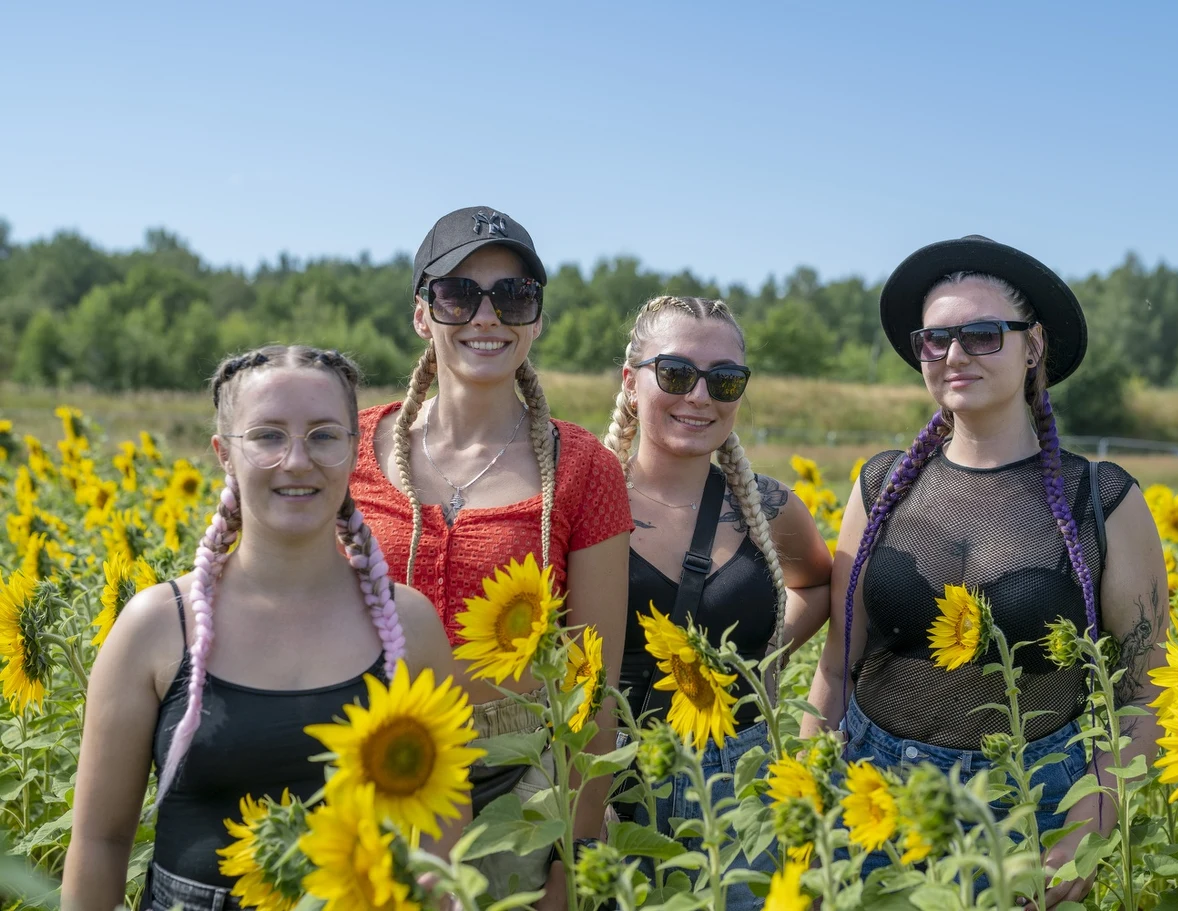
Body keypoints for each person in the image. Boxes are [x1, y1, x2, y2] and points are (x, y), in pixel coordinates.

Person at [802, 236, 1168, 905]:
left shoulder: (1101, 499)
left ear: (1034, 347)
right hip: (875, 796)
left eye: (981, 334)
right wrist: (809, 795)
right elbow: (834, 667)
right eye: (934, 339)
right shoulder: (880, 486)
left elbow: (1146, 693)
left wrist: (1094, 820)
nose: (954, 355)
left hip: (1036, 806)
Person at [64, 345, 459, 911]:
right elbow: (99, 844)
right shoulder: (155, 626)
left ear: (354, 450)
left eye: (324, 436)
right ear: (224, 453)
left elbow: (443, 845)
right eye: (268, 436)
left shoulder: (410, 625)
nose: (297, 460)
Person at [348, 207, 632, 906]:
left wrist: (574, 856)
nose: (486, 316)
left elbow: (592, 684)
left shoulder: (583, 468)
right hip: (371, 759)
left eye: (513, 296)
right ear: (422, 314)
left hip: (522, 784)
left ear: (536, 320)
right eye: (457, 294)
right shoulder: (348, 446)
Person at [603, 296, 832, 909]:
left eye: (725, 380)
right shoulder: (585, 501)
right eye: (676, 373)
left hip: (740, 786)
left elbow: (815, 583)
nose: (700, 396)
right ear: (631, 382)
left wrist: (760, 657)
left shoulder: (768, 508)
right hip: (610, 780)